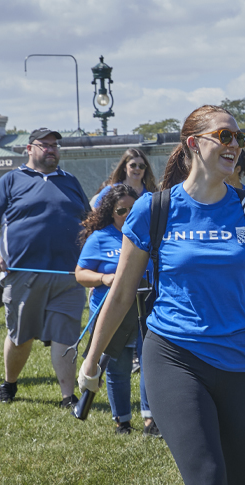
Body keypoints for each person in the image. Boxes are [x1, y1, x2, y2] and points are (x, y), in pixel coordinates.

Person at [77, 105, 245, 485]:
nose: (235, 146)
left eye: (239, 139)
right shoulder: (154, 209)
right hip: (176, 357)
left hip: (244, 364)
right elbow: (121, 295)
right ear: (194, 144)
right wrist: (91, 361)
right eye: (225, 136)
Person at [0, 128, 91, 407]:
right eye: (45, 145)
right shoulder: (11, 180)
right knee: (21, 336)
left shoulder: (70, 181)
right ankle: (10, 383)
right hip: (23, 272)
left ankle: (68, 396)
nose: (52, 149)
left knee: (65, 336)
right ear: (29, 149)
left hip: (68, 275)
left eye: (55, 145)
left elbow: (90, 223)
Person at [74, 184, 155, 435]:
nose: (128, 214)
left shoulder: (149, 235)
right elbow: (80, 274)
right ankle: (122, 421)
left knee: (149, 364)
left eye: (133, 209)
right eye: (122, 210)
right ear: (111, 212)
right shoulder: (99, 237)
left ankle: (150, 421)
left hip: (145, 311)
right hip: (112, 312)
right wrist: (103, 278)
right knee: (117, 369)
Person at [90, 148, 156, 208]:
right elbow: (95, 215)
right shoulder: (109, 191)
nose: (137, 168)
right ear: (124, 167)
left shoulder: (152, 193)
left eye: (141, 166)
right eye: (133, 165)